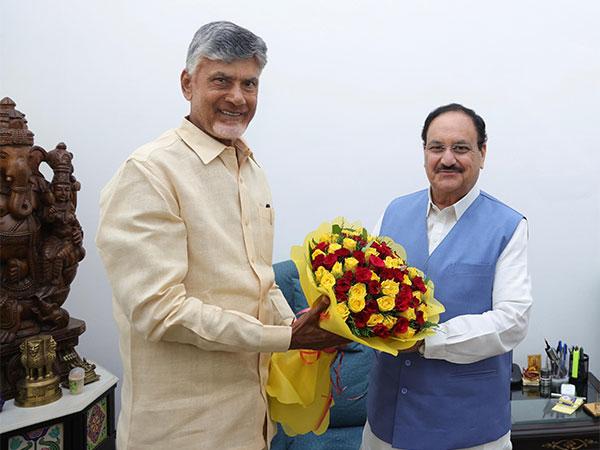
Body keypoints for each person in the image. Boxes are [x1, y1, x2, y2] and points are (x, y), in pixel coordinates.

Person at [96, 21, 346, 450]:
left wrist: (301, 325)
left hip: (252, 424)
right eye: (221, 80)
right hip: (182, 432)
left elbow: (257, 280)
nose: (237, 97)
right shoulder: (150, 173)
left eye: (249, 83)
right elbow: (160, 311)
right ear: (187, 83)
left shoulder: (250, 170)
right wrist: (285, 338)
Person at [361, 103, 532, 450]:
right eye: (436, 147)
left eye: (461, 148)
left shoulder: (509, 226)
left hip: (469, 430)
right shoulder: (393, 211)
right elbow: (364, 291)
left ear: (483, 154)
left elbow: (512, 320)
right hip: (385, 425)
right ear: (424, 152)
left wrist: (427, 340)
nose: (447, 159)